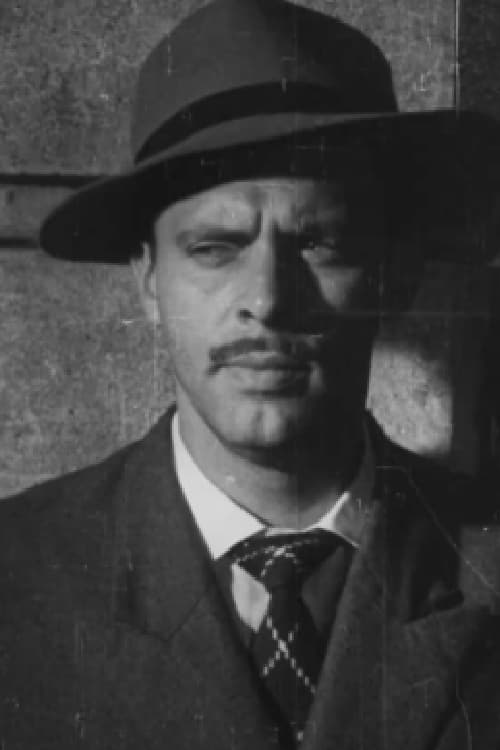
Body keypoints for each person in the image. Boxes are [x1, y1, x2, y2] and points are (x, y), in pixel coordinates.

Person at [1, 0, 500, 748]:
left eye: (320, 243)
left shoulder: (486, 563)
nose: (267, 300)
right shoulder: (18, 578)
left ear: (394, 274)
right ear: (148, 280)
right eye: (214, 247)